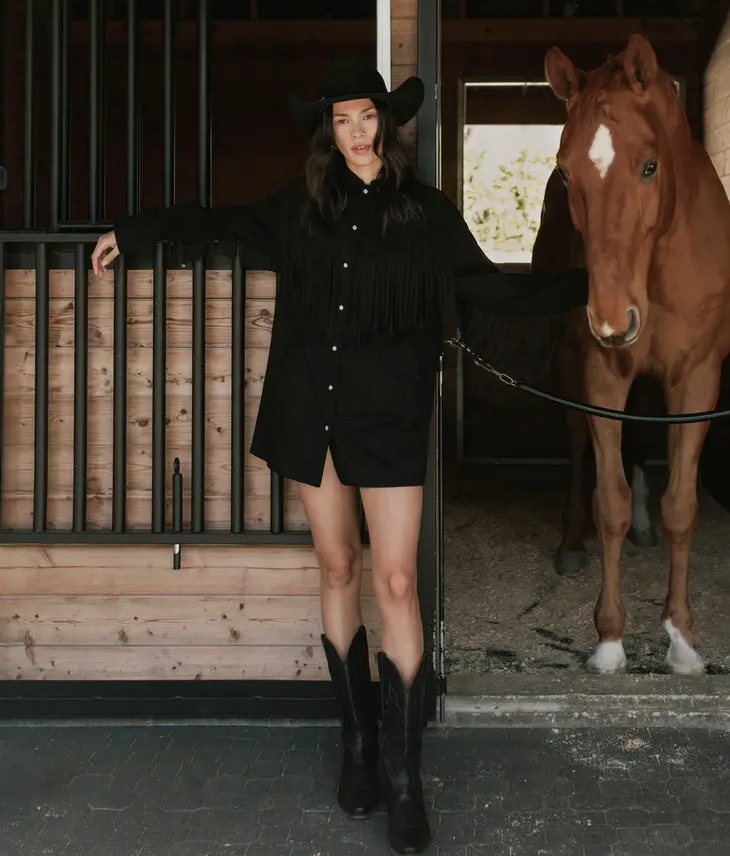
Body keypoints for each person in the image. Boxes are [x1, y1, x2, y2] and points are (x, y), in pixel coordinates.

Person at [91, 57, 588, 855]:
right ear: (329, 130)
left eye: (367, 117)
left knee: (395, 580)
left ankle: (403, 775)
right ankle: (357, 744)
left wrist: (590, 288)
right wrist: (136, 232)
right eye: (342, 119)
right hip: (311, 410)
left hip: (388, 418)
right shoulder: (299, 207)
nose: (357, 132)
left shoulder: (425, 213)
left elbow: (495, 290)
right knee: (335, 565)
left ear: (387, 123)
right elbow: (221, 222)